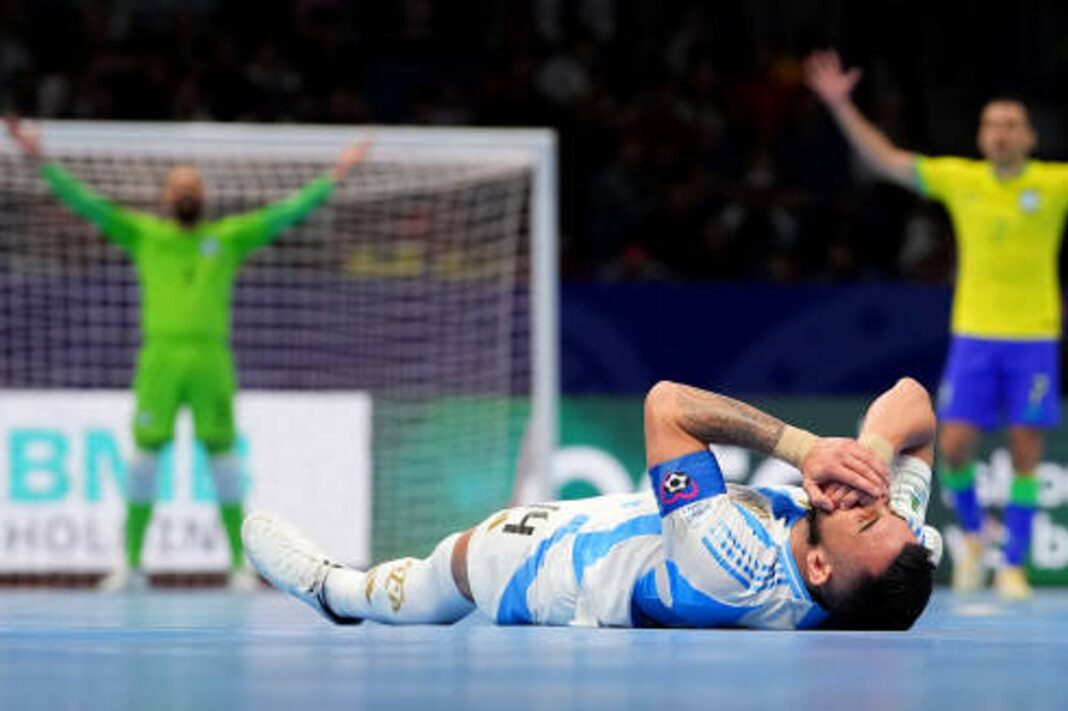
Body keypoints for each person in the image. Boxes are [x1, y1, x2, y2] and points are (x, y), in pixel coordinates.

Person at [243, 377, 941, 630]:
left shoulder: (732, 569)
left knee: (448, 569)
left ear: (817, 569)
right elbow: (917, 405)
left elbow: (666, 404)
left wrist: (804, 447)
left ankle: (335, 591)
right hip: (626, 528)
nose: (869, 502)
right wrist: (874, 451)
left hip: (552, 571)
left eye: (868, 515)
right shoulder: (881, 557)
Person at [4, 115, 371, 591]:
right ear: (165, 199)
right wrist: (39, 159)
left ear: (204, 197)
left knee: (222, 461)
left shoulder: (230, 237)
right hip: (159, 359)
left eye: (191, 185)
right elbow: (84, 202)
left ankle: (240, 565)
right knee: (142, 461)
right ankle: (133, 565)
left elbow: (287, 212)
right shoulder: (143, 234)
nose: (185, 192)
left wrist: (335, 176)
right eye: (178, 186)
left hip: (210, 362)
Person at [804, 50, 1064, 599]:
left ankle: (1012, 564)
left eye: (1011, 125)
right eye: (992, 124)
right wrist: (840, 105)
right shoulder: (959, 179)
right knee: (956, 450)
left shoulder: (1056, 183)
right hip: (975, 337)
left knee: (1024, 454)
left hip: (1035, 339)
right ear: (980, 135)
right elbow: (887, 161)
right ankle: (973, 535)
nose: (1000, 133)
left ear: (1030, 138)